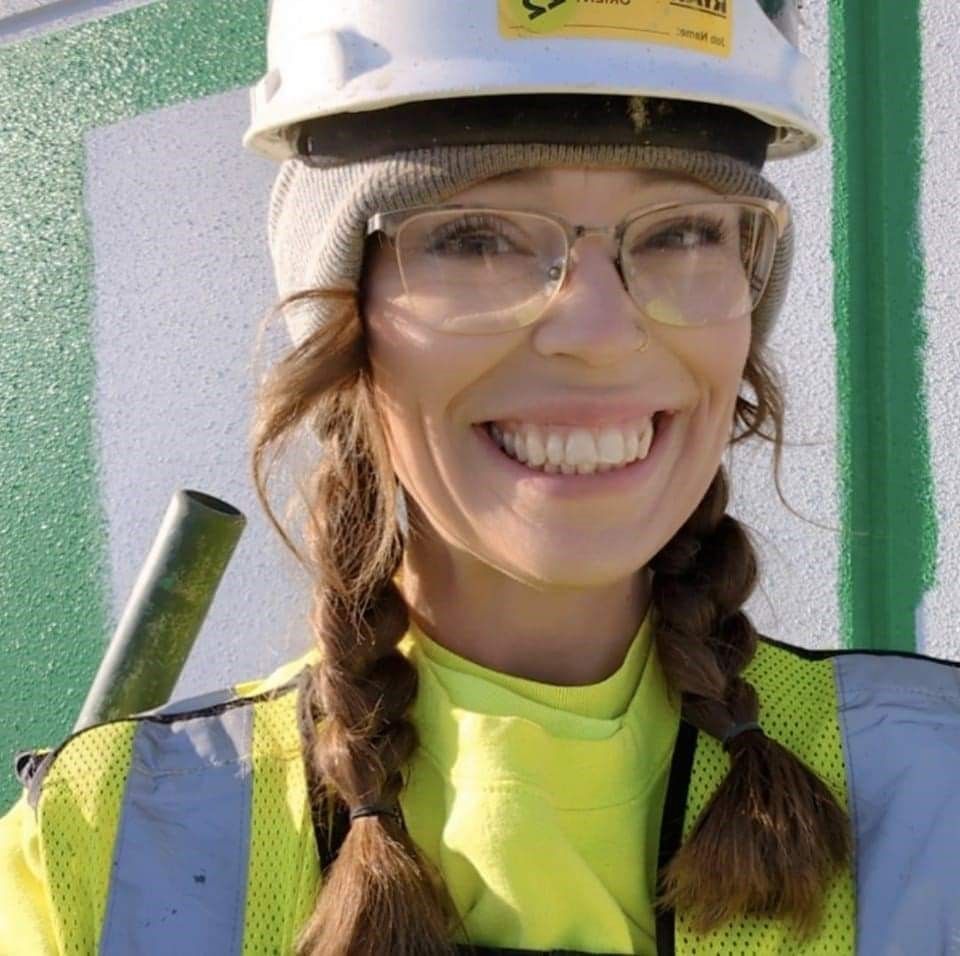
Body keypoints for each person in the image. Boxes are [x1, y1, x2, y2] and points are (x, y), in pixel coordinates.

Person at [2, 1, 959, 954]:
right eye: (476, 238)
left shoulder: (935, 791)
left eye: (682, 233)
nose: (601, 332)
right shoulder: (99, 860)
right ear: (341, 318)